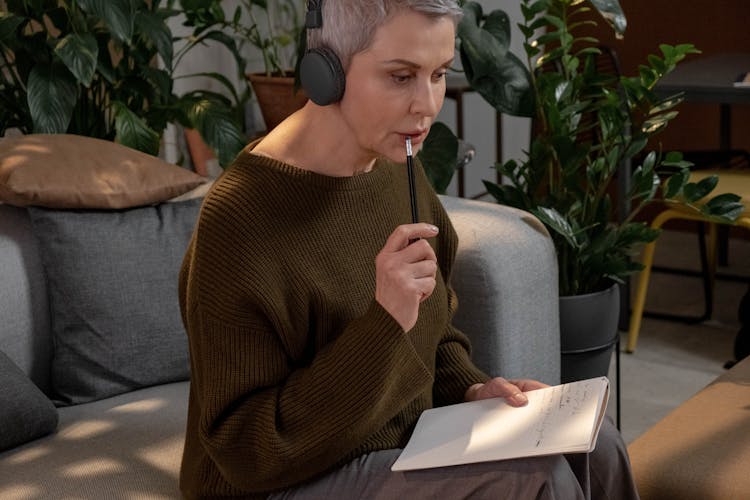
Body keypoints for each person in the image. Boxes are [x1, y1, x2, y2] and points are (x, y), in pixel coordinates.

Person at [178, 1, 641, 498]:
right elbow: (246, 450)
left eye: (439, 73)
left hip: (393, 448)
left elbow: (432, 328)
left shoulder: (395, 161)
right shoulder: (240, 218)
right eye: (401, 77)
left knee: (597, 444)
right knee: (534, 481)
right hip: (275, 481)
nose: (427, 104)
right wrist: (385, 320)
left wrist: (470, 389)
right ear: (324, 74)